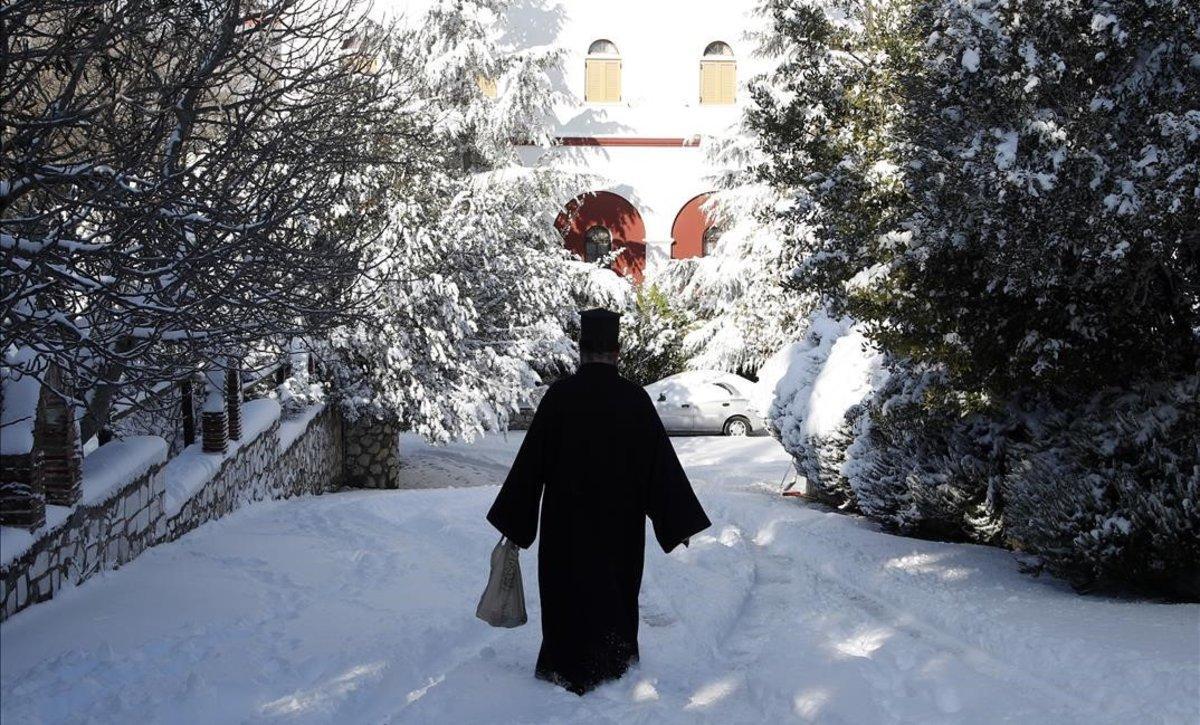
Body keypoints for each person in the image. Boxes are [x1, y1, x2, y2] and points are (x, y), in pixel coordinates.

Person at [486, 307, 712, 695]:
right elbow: (659, 466)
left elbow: (531, 464)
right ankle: (614, 664)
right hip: (618, 526)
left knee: (565, 592)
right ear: (617, 352)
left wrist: (515, 522)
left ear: (581, 350)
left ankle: (562, 666)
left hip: (565, 524)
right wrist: (676, 520)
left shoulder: (560, 397)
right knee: (614, 591)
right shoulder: (634, 400)